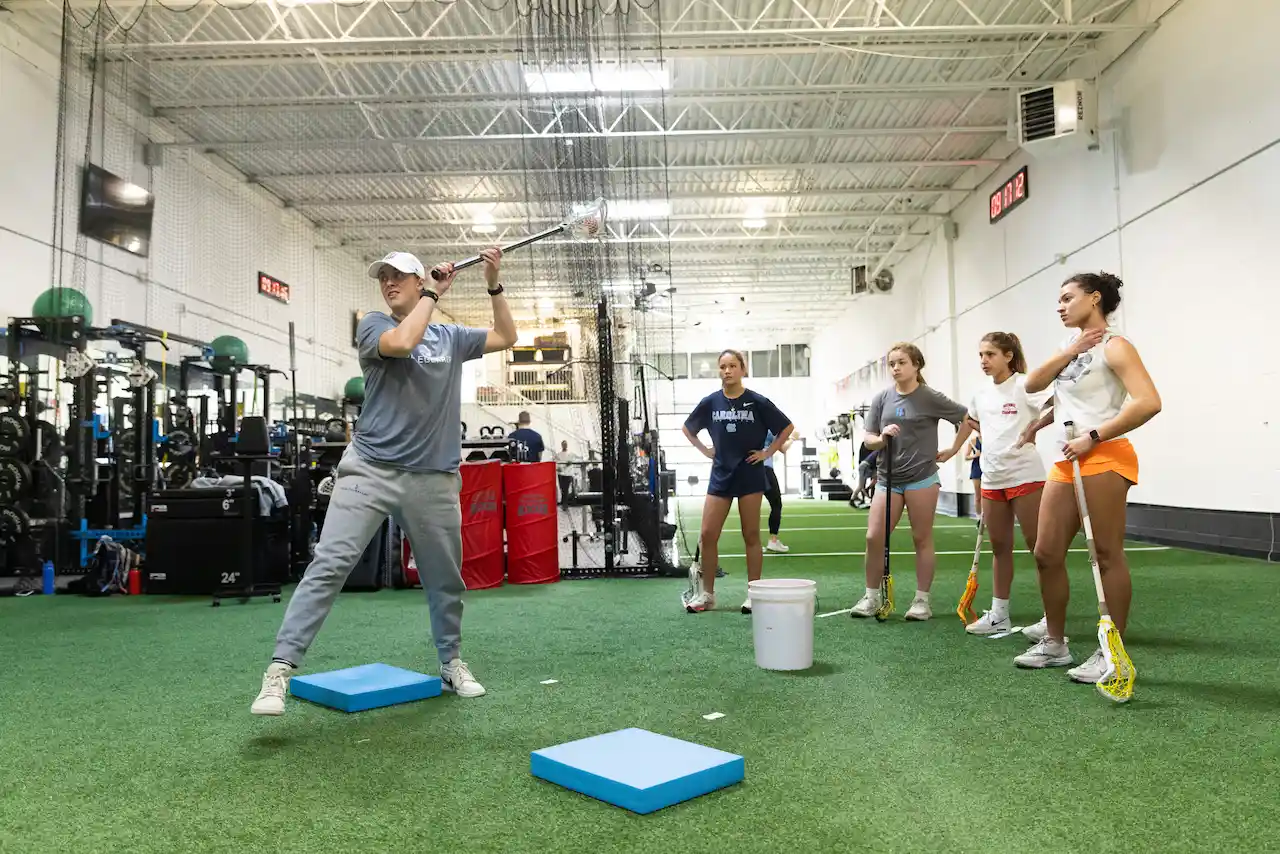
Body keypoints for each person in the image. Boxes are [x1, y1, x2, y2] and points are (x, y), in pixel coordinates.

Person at [251, 247, 518, 716]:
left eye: (400, 276)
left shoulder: (452, 337)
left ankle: (451, 662)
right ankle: (279, 671)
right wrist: (434, 293)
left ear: (417, 282)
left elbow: (507, 336)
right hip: (370, 469)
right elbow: (403, 344)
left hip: (433, 477)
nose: (389, 283)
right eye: (384, 277)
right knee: (329, 564)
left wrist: (493, 283)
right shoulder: (374, 325)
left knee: (445, 579)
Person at [1012, 272, 1161, 680]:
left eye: (1067, 298)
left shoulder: (1116, 346)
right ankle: (1055, 644)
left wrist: (1095, 436)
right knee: (1045, 552)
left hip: (1104, 457)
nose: (1059, 306)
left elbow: (1149, 402)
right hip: (1066, 461)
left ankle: (1111, 654)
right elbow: (1031, 384)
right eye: (1058, 301)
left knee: (1106, 555)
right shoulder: (1070, 346)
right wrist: (1074, 347)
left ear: (1094, 299)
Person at [850, 343, 976, 621]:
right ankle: (871, 597)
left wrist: (954, 449)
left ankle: (922, 601)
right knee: (874, 537)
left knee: (921, 537)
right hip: (888, 479)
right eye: (892, 363)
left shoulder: (929, 397)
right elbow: (868, 438)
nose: (895, 368)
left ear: (916, 365)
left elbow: (968, 419)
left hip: (922, 478)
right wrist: (882, 438)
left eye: (901, 363)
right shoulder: (882, 398)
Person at [681, 349, 793, 614]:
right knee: (707, 535)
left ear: (743, 369)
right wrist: (705, 450)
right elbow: (688, 428)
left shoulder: (757, 402)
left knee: (751, 535)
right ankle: (707, 595)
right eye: (722, 367)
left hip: (750, 473)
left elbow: (785, 427)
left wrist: (768, 452)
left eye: (732, 366)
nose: (727, 371)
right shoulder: (711, 402)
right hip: (721, 474)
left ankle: (754, 593)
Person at [962, 332, 1053, 635]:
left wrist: (1033, 428)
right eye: (981, 355)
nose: (983, 361)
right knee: (1000, 547)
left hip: (1025, 475)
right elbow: (972, 419)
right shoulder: (980, 393)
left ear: (1008, 356)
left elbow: (1056, 406)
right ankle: (999, 613)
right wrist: (978, 438)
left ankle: (1050, 618)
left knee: (1039, 549)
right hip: (992, 477)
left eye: (990, 354)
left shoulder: (1026, 385)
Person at [762, 429, 794, 553]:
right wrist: (793, 438)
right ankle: (773, 541)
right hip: (765, 469)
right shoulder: (770, 430)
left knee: (752, 508)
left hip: (750, 470)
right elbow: (783, 449)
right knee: (776, 505)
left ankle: (753, 544)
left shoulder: (750, 424)